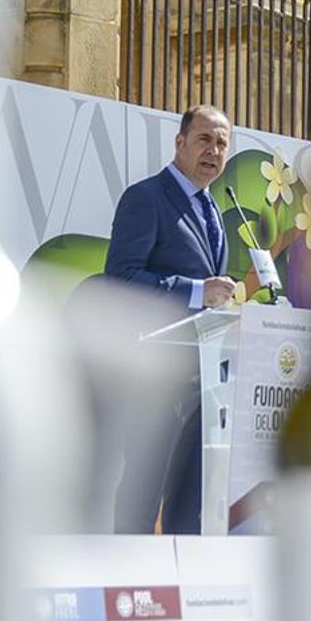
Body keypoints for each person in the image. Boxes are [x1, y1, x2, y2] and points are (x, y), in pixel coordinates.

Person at [105, 104, 237, 534]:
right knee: (143, 497)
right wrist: (198, 291)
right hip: (154, 380)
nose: (213, 151)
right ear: (179, 143)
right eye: (203, 139)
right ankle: (126, 583)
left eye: (221, 143)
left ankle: (182, 586)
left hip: (203, 382)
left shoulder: (213, 208)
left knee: (190, 499)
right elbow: (121, 279)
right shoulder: (146, 198)